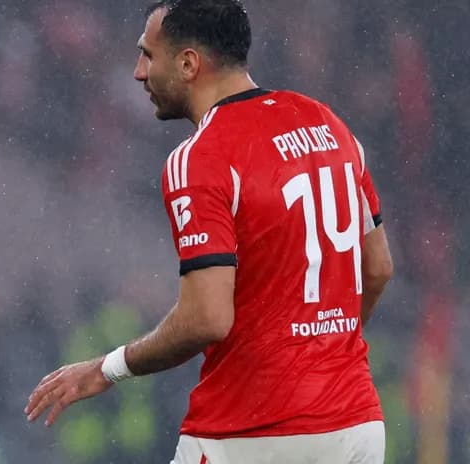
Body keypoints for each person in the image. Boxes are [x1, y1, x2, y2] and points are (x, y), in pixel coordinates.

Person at [25, 1, 394, 463]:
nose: (138, 72)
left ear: (188, 64)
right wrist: (320, 355)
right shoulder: (330, 125)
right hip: (355, 424)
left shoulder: (199, 157)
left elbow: (206, 318)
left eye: (147, 55)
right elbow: (377, 267)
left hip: (250, 431)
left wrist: (108, 368)